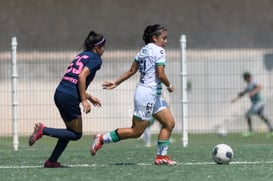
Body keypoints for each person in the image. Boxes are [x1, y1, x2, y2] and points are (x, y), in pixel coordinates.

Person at [91, 24, 177, 165]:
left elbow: (132, 70)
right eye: (164, 38)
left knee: (169, 123)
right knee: (136, 131)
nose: (166, 41)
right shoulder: (159, 51)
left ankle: (161, 157)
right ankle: (102, 139)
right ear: (155, 38)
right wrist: (170, 85)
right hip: (147, 95)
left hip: (152, 95)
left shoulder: (143, 50)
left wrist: (116, 82)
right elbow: (160, 74)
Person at [28, 30, 106, 168]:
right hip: (70, 97)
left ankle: (51, 161)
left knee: (69, 131)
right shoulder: (96, 59)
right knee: (76, 134)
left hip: (60, 93)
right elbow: (81, 76)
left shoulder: (81, 55)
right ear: (97, 47)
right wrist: (84, 99)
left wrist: (90, 97)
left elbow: (73, 80)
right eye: (103, 46)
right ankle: (43, 130)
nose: (104, 49)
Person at [231, 72, 273, 137]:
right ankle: (271, 130)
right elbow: (243, 93)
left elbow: (260, 87)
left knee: (247, 114)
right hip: (258, 103)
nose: (244, 79)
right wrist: (235, 99)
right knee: (261, 116)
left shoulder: (253, 83)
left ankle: (250, 131)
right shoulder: (248, 86)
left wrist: (253, 92)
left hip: (258, 102)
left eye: (245, 78)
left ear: (248, 77)